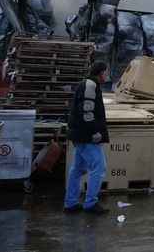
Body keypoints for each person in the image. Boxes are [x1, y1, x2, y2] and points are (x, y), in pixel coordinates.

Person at [64, 61, 110, 214]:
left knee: (77, 169)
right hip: (86, 136)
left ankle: (70, 203)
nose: (107, 75)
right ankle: (90, 203)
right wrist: (95, 132)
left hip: (79, 134)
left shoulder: (89, 85)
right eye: (106, 72)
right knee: (99, 167)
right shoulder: (90, 86)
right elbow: (87, 112)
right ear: (101, 72)